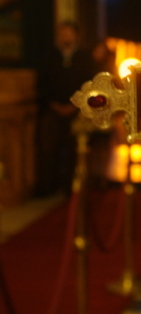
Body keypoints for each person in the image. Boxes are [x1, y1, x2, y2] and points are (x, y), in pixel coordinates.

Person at [36, 21, 95, 195]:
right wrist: (54, 104)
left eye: (68, 33)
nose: (65, 37)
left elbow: (88, 84)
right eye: (62, 33)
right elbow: (43, 83)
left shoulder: (84, 58)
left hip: (77, 111)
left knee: (73, 149)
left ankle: (71, 187)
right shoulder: (50, 57)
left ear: (75, 35)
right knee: (49, 148)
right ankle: (49, 185)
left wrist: (74, 106)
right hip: (53, 110)